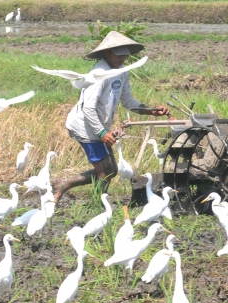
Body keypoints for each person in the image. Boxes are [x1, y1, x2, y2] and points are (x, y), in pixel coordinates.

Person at [53, 31, 170, 203]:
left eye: (125, 56)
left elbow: (128, 100)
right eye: (118, 56)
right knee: (105, 171)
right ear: (107, 53)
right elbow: (88, 108)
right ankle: (96, 204)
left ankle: (62, 185)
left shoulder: (122, 71)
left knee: (110, 170)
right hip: (85, 126)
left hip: (97, 125)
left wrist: (150, 110)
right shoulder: (98, 74)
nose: (122, 59)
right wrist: (102, 133)